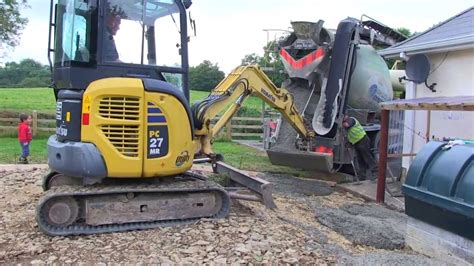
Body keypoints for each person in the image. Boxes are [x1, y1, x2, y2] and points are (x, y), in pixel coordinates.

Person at [342, 115, 376, 180]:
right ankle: (362, 176)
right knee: (360, 160)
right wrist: (349, 143)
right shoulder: (347, 124)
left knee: (367, 157)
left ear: (346, 116)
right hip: (357, 142)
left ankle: (376, 172)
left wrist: (340, 124)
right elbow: (350, 135)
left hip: (362, 140)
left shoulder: (351, 119)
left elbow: (346, 125)